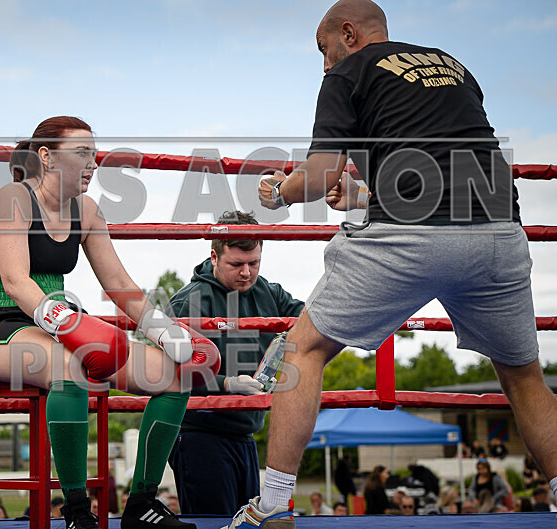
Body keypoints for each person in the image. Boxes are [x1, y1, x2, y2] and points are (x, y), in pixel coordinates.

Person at [224, 0, 557, 527]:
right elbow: (440, 158)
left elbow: (317, 174)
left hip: (412, 236)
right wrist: (362, 196)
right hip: (498, 230)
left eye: (323, 48)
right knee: (524, 378)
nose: (324, 64)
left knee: (302, 349)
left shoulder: (349, 71)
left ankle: (272, 507)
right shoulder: (453, 66)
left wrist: (279, 193)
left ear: (349, 33)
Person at [0, 116, 220, 529]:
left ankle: (142, 504)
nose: (92, 163)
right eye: (81, 153)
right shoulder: (14, 198)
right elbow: (15, 281)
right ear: (46, 156)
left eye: (93, 154)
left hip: (57, 323)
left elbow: (118, 283)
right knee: (72, 368)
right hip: (0, 324)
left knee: (178, 374)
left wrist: (161, 328)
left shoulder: (87, 210)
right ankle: (77, 510)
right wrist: (64, 321)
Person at [168, 210, 304, 515]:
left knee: (247, 524)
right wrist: (227, 384)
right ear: (214, 257)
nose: (246, 272)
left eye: (254, 263)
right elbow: (169, 374)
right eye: (236, 264)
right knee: (215, 523)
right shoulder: (188, 303)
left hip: (246, 433)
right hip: (199, 434)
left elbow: (310, 318)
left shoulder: (268, 291)